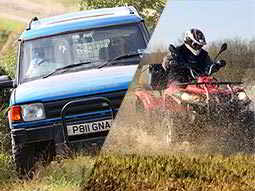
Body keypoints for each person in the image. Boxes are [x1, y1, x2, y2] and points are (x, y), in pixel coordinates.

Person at [161, 28, 226, 84]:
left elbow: (208, 67)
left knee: (215, 91)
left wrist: (216, 66)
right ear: (189, 41)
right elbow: (165, 63)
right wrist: (170, 62)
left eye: (200, 45)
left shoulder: (204, 54)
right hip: (178, 84)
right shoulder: (177, 51)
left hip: (198, 84)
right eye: (196, 45)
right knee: (191, 97)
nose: (198, 48)